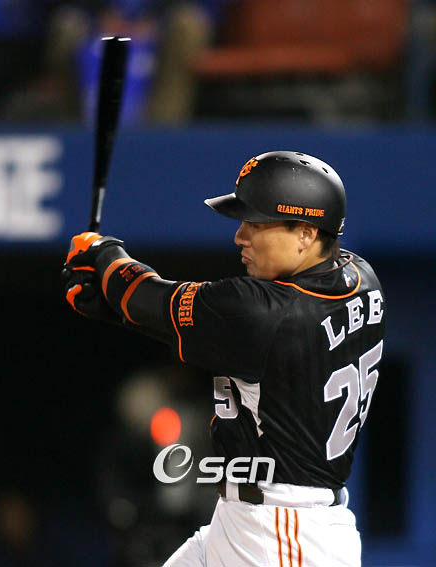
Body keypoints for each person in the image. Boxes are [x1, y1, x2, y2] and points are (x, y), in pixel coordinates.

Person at [62, 150, 385, 566]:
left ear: (306, 233)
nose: (240, 237)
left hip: (280, 535)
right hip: (259, 520)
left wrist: (103, 253)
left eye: (256, 224)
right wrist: (115, 308)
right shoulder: (361, 277)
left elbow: (145, 296)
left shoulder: (265, 312)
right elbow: (207, 327)